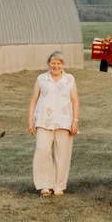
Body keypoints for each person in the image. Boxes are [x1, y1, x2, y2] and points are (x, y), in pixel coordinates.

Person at [26, 51, 80, 196]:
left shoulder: (69, 79)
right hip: (44, 121)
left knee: (62, 154)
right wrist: (30, 120)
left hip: (64, 121)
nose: (55, 66)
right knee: (42, 150)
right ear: (48, 64)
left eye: (59, 63)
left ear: (63, 65)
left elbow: (75, 100)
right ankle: (45, 184)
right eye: (53, 63)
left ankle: (58, 186)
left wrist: (75, 121)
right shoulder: (41, 79)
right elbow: (34, 100)